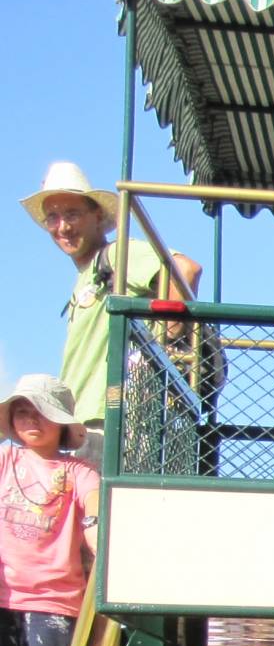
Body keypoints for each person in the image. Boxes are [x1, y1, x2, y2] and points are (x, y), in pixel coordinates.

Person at [22, 163, 204, 467]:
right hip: (88, 420)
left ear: (97, 216)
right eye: (53, 216)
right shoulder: (88, 274)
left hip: (113, 416)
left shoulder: (118, 254)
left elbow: (186, 269)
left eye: (72, 214)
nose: (63, 226)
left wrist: (166, 341)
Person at [0, 376, 102, 646]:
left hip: (53, 598)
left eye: (39, 412)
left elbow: (94, 508)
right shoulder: (6, 462)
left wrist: (97, 530)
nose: (29, 420)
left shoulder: (76, 471)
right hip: (6, 597)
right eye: (21, 411)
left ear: (60, 423)